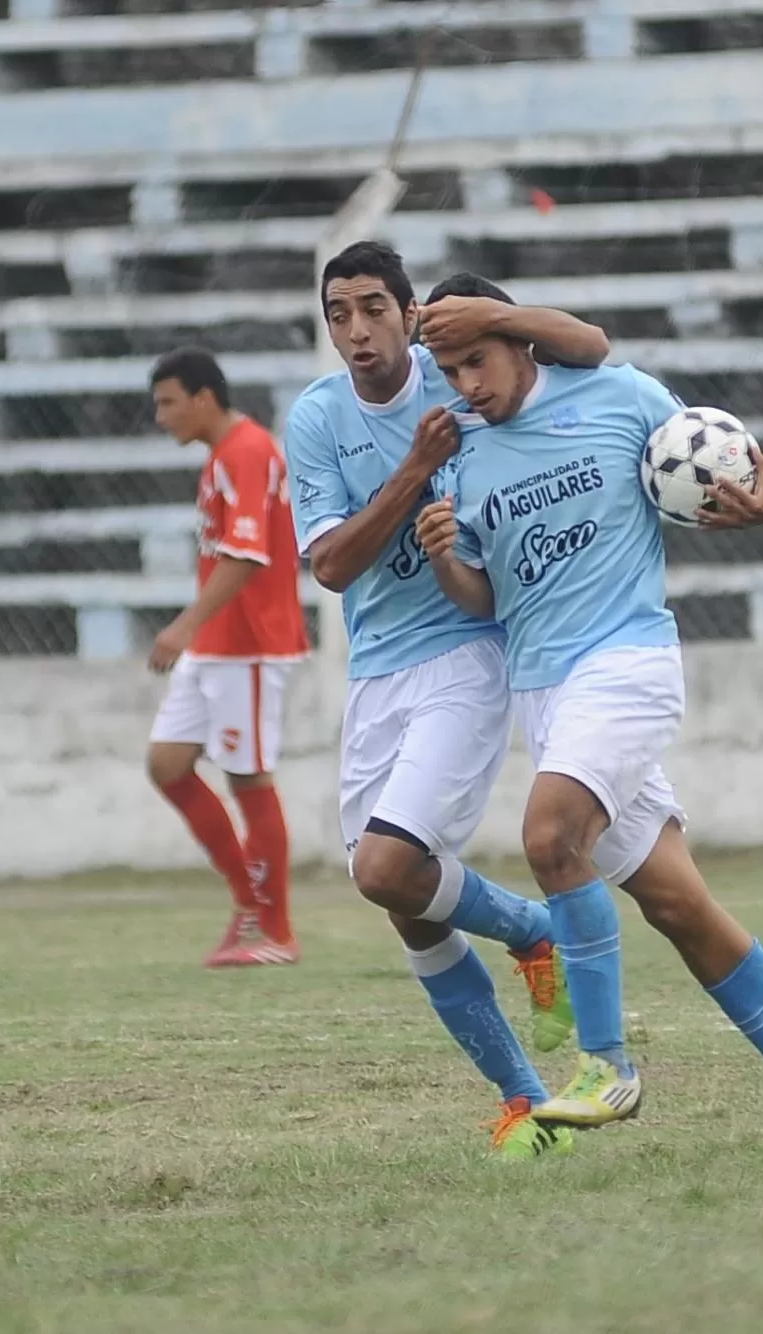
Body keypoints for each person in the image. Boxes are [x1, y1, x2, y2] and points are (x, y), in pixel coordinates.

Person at [415, 272, 763, 1161]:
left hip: (627, 665)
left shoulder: (617, 396)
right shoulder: (463, 456)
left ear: (516, 337)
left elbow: (713, 468)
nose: (466, 385)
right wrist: (442, 562)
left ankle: (605, 1066)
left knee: (547, 838)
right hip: (547, 694)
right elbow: (483, 599)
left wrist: (762, 508)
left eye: (476, 359)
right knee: (677, 904)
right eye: (450, 371)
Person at [284, 241, 610, 1158]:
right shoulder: (315, 418)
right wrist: (412, 473)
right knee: (405, 905)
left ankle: (534, 933)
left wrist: (498, 326)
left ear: (409, 312)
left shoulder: (460, 376)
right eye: (338, 314)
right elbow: (333, 565)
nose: (357, 331)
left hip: (467, 654)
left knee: (386, 868)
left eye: (374, 309)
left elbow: (585, 348)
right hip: (376, 670)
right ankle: (525, 1101)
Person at [148, 347, 308, 967]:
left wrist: (183, 627)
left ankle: (276, 930)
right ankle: (249, 904)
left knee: (247, 777)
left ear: (203, 397)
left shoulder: (246, 451)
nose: (160, 416)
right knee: (167, 764)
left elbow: (245, 557)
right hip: (218, 644)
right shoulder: (224, 454)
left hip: (250, 644)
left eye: (167, 402)